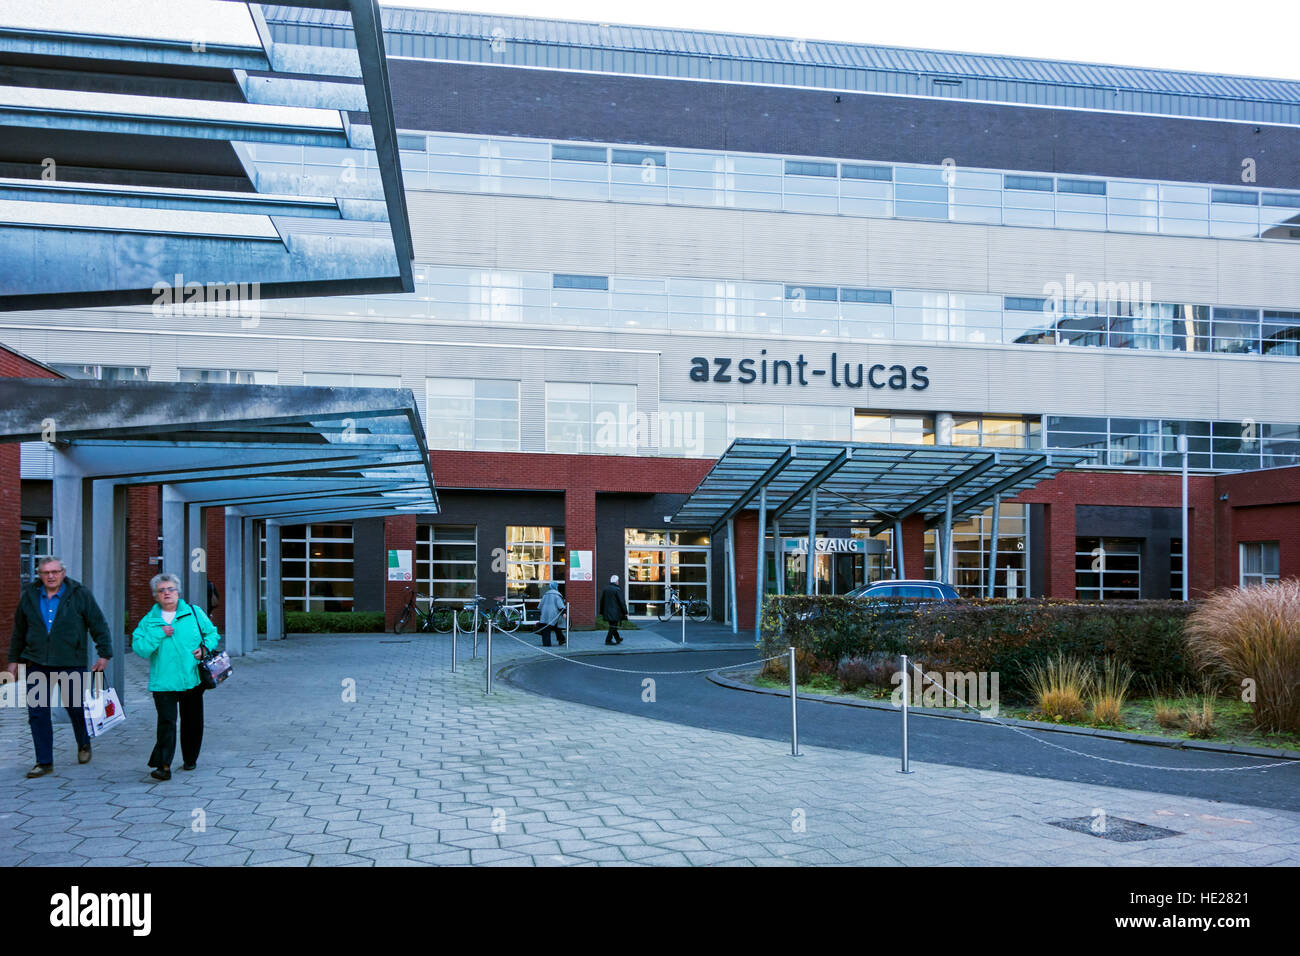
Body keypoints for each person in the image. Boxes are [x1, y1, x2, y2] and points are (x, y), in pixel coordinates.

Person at [7, 556, 112, 778]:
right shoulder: (30, 596)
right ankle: (44, 761)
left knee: (74, 708)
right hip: (37, 663)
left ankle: (83, 743)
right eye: (46, 573)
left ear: (63, 573)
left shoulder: (79, 594)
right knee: (37, 713)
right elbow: (19, 631)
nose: (51, 576)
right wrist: (13, 661)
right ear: (40, 575)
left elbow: (98, 623)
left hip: (70, 662)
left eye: (55, 572)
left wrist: (104, 653)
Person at [131, 573, 220, 781]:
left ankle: (190, 758)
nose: (167, 593)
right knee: (166, 723)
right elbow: (140, 648)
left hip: (192, 679)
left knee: (192, 721)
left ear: (178, 592)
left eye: (170, 589)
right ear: (155, 596)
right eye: (161, 591)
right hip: (163, 682)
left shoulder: (194, 612)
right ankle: (163, 765)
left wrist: (204, 649)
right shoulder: (150, 621)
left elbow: (212, 634)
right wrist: (159, 633)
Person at [535, 582, 567, 647]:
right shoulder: (557, 595)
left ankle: (546, 644)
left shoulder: (545, 595)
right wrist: (564, 613)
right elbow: (560, 606)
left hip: (545, 615)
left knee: (546, 629)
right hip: (554, 615)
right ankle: (562, 639)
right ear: (556, 587)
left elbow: (540, 606)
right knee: (557, 627)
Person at [600, 574, 628, 646]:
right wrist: (625, 611)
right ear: (616, 582)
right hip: (615, 612)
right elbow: (622, 602)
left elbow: (602, 601)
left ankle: (618, 639)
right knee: (613, 626)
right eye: (618, 581)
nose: (618, 582)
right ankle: (608, 640)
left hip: (607, 612)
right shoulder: (617, 590)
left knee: (613, 626)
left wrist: (601, 612)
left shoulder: (605, 589)